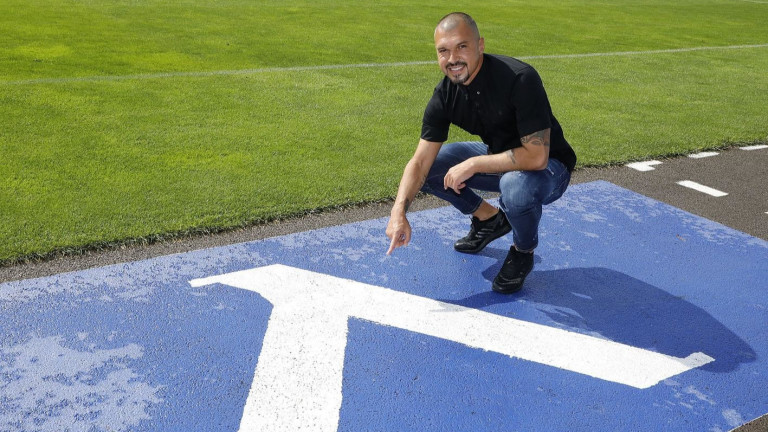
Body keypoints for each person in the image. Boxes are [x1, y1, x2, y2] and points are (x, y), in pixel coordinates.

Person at [385, 12, 577, 294]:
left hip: (549, 168)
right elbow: (419, 162)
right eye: (443, 51)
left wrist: (474, 164)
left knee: (514, 187)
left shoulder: (519, 78)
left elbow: (536, 157)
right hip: (501, 158)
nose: (453, 59)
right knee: (433, 168)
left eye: (462, 46)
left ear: (480, 46)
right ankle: (488, 219)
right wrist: (398, 212)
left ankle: (522, 251)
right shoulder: (445, 94)